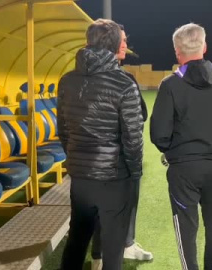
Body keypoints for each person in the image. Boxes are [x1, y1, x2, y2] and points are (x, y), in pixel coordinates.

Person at [150, 23, 212, 270]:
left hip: (184, 168)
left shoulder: (170, 84)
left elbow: (159, 134)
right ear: (204, 46)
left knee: (186, 226)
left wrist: (175, 150)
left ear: (177, 52)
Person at [58, 18, 144, 270]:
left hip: (80, 177)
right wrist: (134, 173)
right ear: (116, 44)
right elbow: (133, 137)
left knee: (76, 240)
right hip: (114, 178)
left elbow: (63, 129)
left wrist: (76, 158)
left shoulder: (67, 80)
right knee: (113, 248)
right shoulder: (124, 83)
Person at [90, 24, 152, 270]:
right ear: (110, 42)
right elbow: (140, 118)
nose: (126, 44)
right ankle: (104, 254)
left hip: (91, 158)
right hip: (117, 160)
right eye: (123, 40)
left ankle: (112, 250)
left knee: (101, 208)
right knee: (113, 209)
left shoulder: (78, 76)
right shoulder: (124, 79)